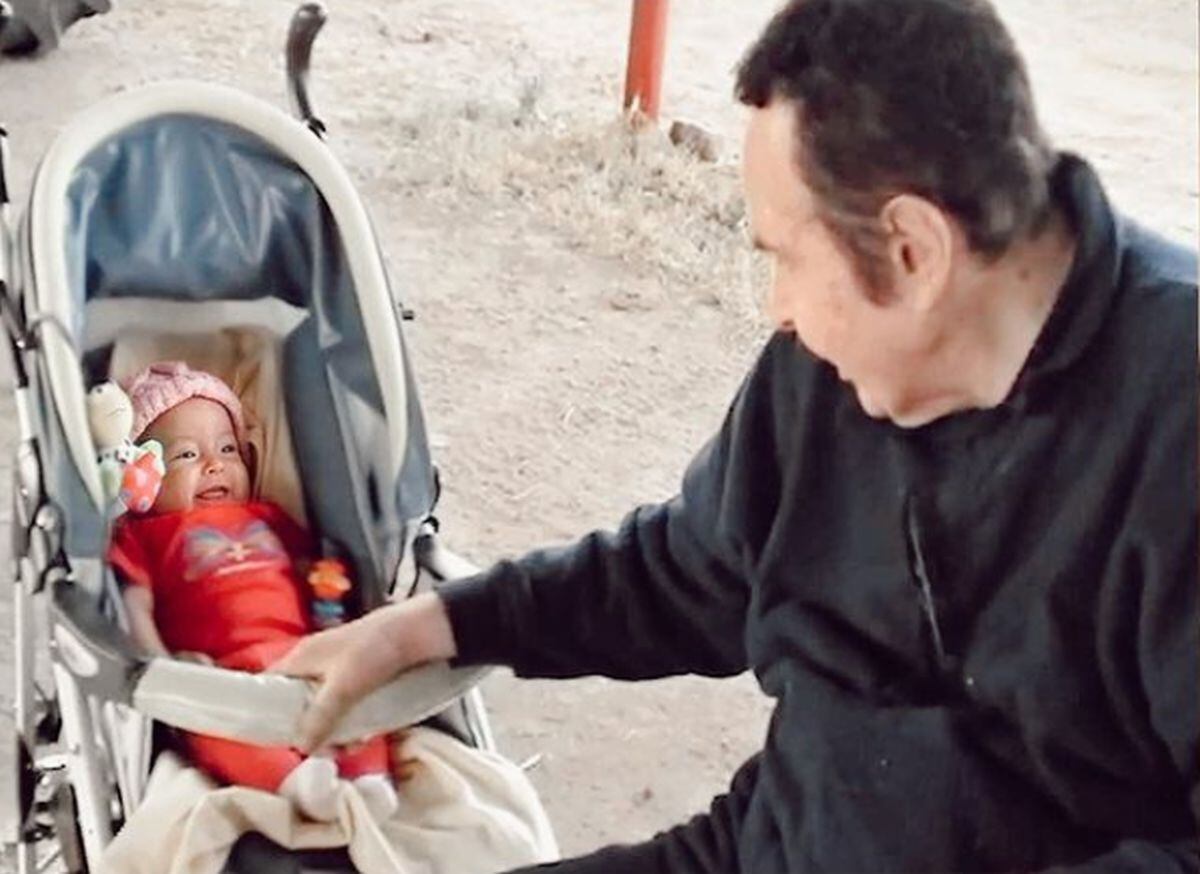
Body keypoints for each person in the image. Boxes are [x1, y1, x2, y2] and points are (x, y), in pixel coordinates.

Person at [272, 0, 1199, 870]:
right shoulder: (825, 375)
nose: (778, 308)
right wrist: (433, 626)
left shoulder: (1176, 426)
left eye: (787, 259)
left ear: (914, 253)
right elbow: (689, 573)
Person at [110, 361, 400, 823]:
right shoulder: (144, 536)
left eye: (228, 449)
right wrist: (158, 660)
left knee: (360, 692)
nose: (215, 464)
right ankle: (294, 782)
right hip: (220, 673)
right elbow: (133, 602)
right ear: (141, 476)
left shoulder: (267, 516)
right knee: (218, 731)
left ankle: (366, 775)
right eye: (186, 456)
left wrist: (325, 581)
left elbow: (307, 566)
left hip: (308, 652)